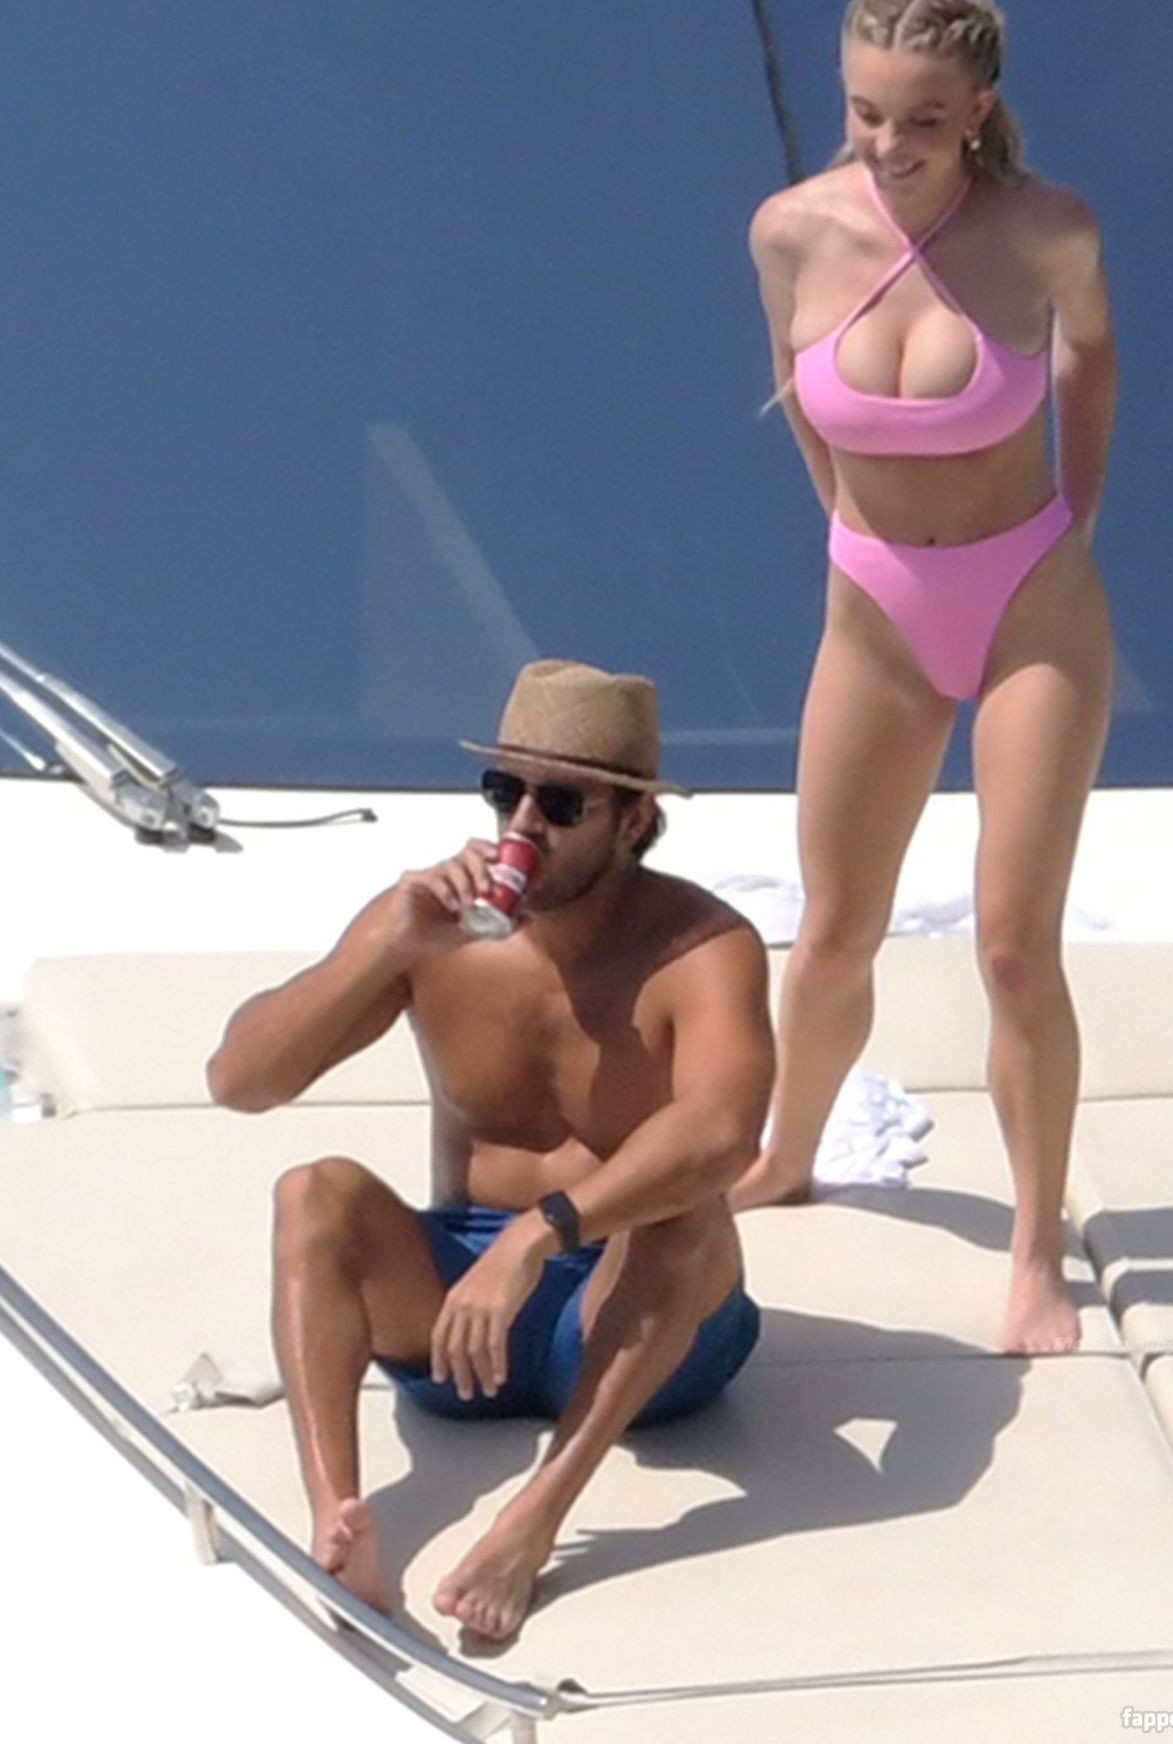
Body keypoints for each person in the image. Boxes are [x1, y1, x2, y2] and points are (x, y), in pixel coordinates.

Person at [207, 659, 771, 1640]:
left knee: (686, 1207)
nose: (522, 825)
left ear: (633, 821)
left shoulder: (700, 946)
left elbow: (723, 1131)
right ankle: (338, 1522)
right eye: (504, 791)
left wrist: (537, 1236)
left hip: (643, 1322)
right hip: (464, 1323)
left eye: (560, 803)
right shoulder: (432, 929)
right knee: (313, 1192)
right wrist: (384, 947)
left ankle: (535, 1517)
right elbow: (240, 1081)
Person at [728, 0, 1115, 1357]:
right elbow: (800, 394)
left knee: (1012, 945)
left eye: (922, 121)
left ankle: (1033, 1254)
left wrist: (1072, 523)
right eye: (865, 113)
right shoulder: (789, 230)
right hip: (875, 608)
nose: (888, 144)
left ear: (978, 112)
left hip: (1026, 604)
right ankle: (785, 1154)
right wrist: (848, 524)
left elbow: (1090, 367)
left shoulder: (1044, 229)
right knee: (834, 927)